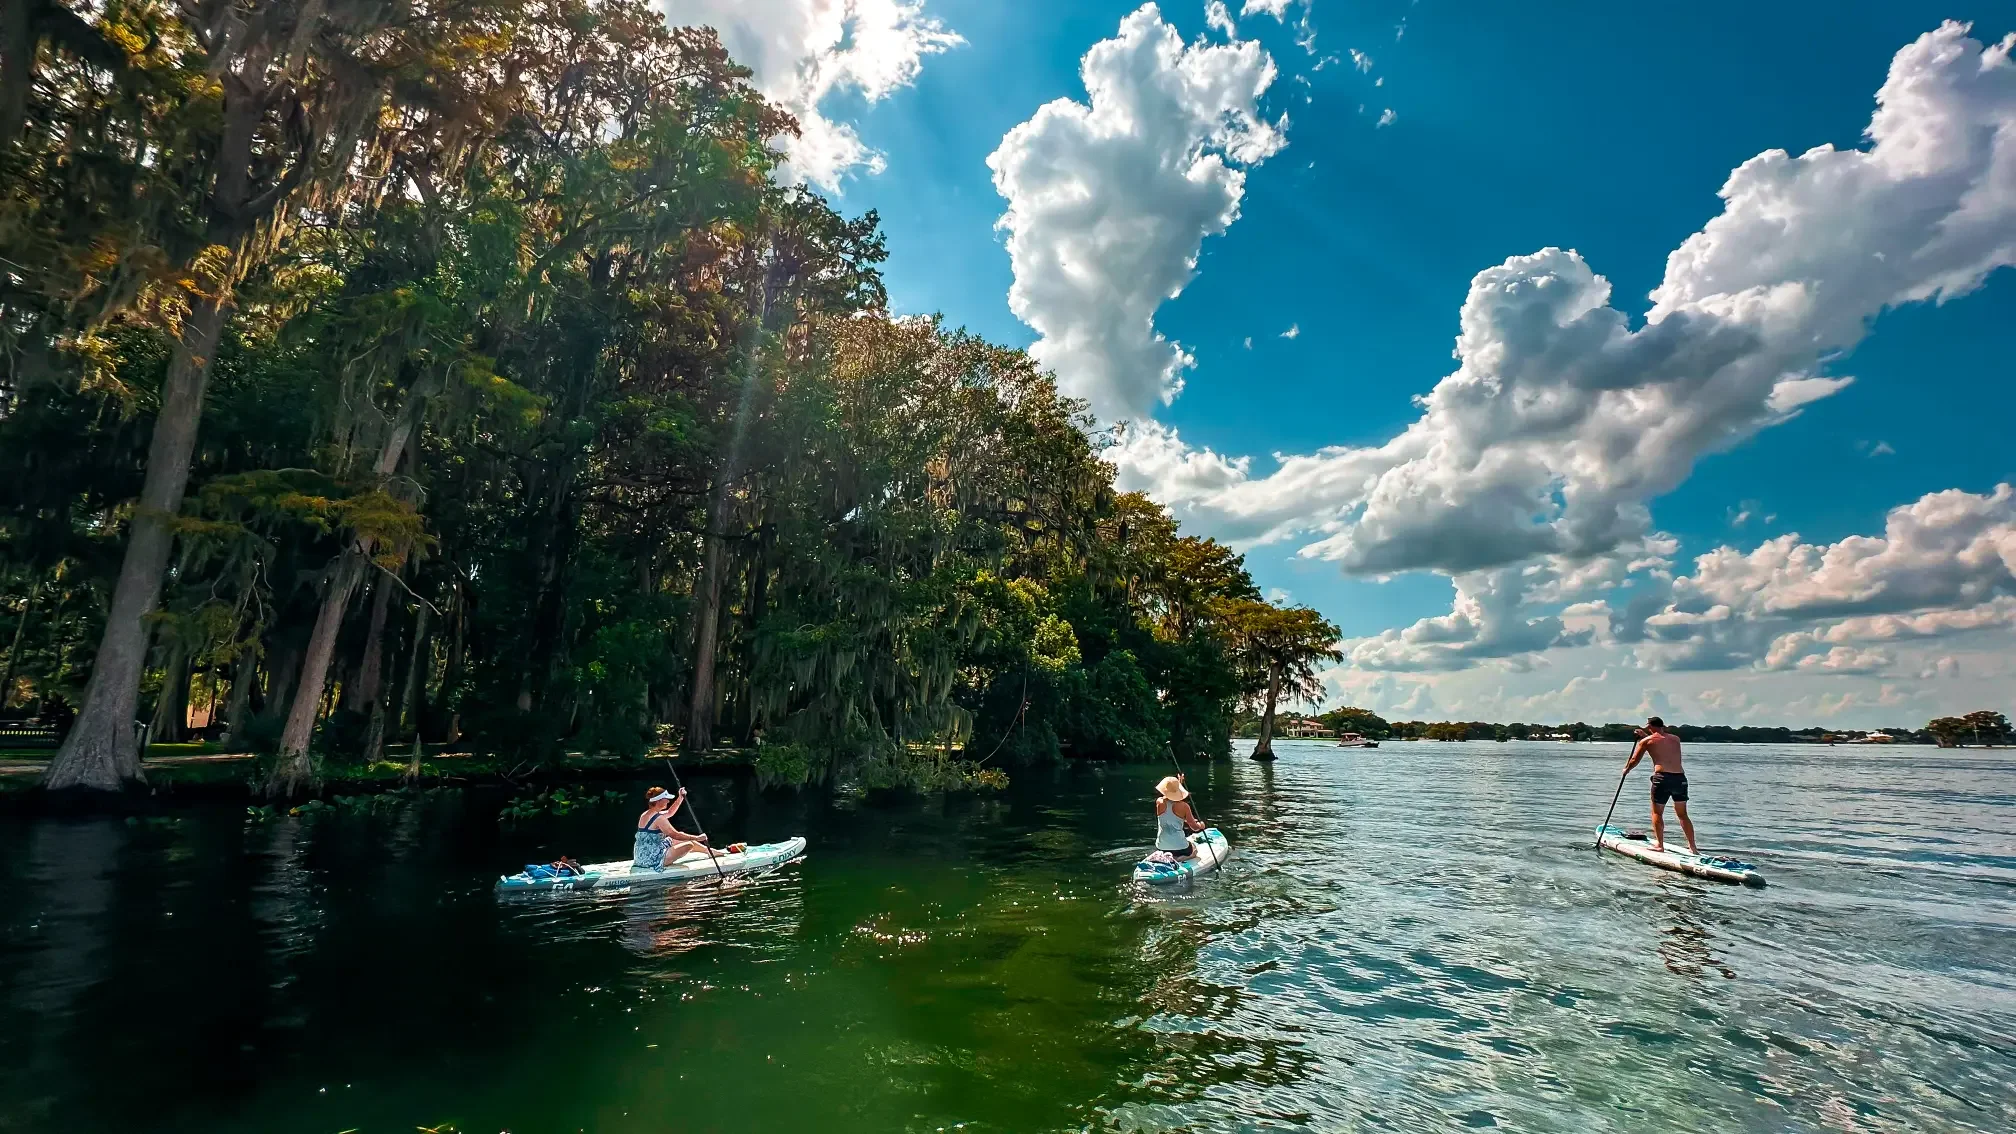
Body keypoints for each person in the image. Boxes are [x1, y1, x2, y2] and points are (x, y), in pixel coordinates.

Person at [1623, 716, 1696, 854]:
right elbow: (1660, 743)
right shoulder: (1676, 739)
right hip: (1680, 778)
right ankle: (1693, 848)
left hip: (1662, 778)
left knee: (1657, 812)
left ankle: (1660, 846)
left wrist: (1626, 769)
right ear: (1663, 726)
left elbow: (1634, 759)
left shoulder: (1646, 741)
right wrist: (1645, 736)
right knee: (1682, 814)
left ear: (1649, 726)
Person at [633, 786, 711, 870]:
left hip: (641, 857)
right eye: (666, 799)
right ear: (659, 801)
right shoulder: (659, 818)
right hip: (652, 860)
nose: (668, 801)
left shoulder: (645, 814)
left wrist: (680, 797)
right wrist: (698, 838)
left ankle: (710, 851)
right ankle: (663, 861)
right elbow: (675, 835)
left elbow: (670, 812)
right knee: (689, 844)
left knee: (685, 838)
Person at [1153, 775, 1205, 859]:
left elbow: (1170, 813)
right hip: (1180, 848)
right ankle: (1183, 858)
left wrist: (1179, 783)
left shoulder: (1159, 802)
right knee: (1194, 849)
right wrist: (1201, 825)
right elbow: (1194, 828)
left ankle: (1169, 857)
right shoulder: (1185, 806)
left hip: (1161, 847)